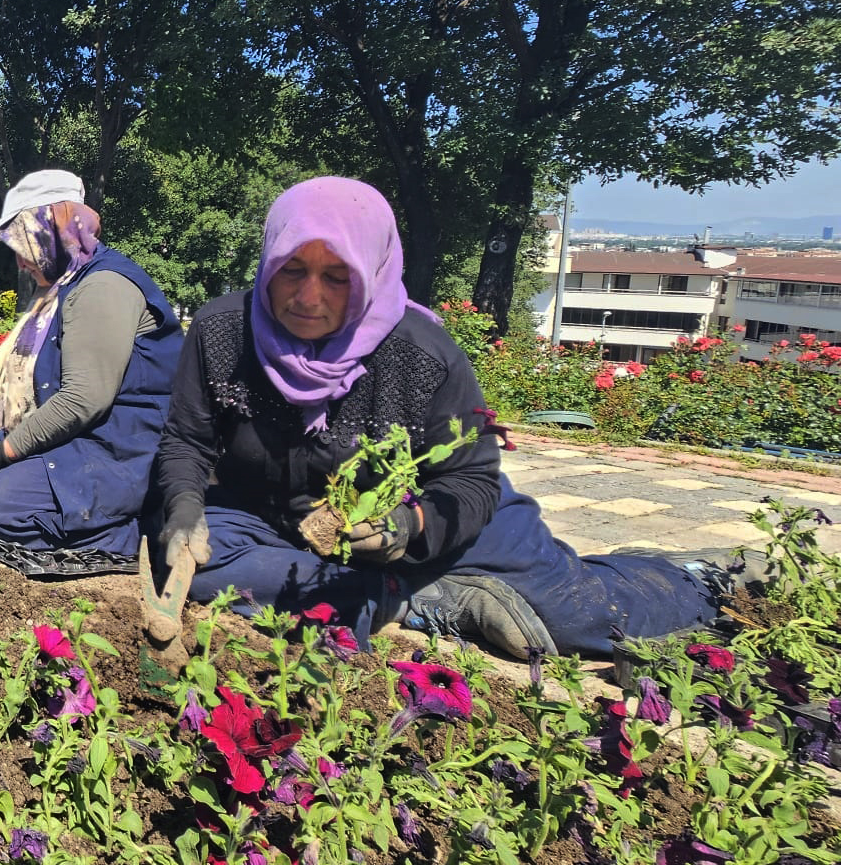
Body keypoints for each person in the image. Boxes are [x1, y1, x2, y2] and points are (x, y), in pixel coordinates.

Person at [146, 176, 721, 663]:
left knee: (581, 623)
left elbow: (471, 481)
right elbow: (188, 442)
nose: (308, 297)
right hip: (276, 521)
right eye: (291, 269)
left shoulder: (422, 354)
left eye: (337, 276)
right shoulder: (224, 332)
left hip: (437, 522)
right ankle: (416, 600)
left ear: (369, 272)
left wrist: (406, 528)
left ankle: (694, 578)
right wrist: (184, 509)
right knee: (202, 565)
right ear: (268, 258)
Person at [0, 171, 183, 558]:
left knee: (0, 507)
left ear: (52, 226)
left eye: (22, 245)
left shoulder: (101, 286)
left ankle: (143, 535)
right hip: (83, 440)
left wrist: (6, 452)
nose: (19, 263)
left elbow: (83, 400)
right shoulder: (67, 284)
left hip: (124, 451)